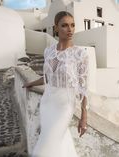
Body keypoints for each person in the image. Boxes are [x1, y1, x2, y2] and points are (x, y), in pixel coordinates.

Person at [22, 11, 89, 157]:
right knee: (59, 141)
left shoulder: (80, 54)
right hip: (48, 103)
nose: (70, 29)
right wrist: (31, 83)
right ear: (56, 28)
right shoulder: (48, 51)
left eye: (72, 25)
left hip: (65, 105)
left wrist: (84, 117)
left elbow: (83, 88)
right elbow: (47, 77)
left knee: (44, 148)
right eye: (64, 25)